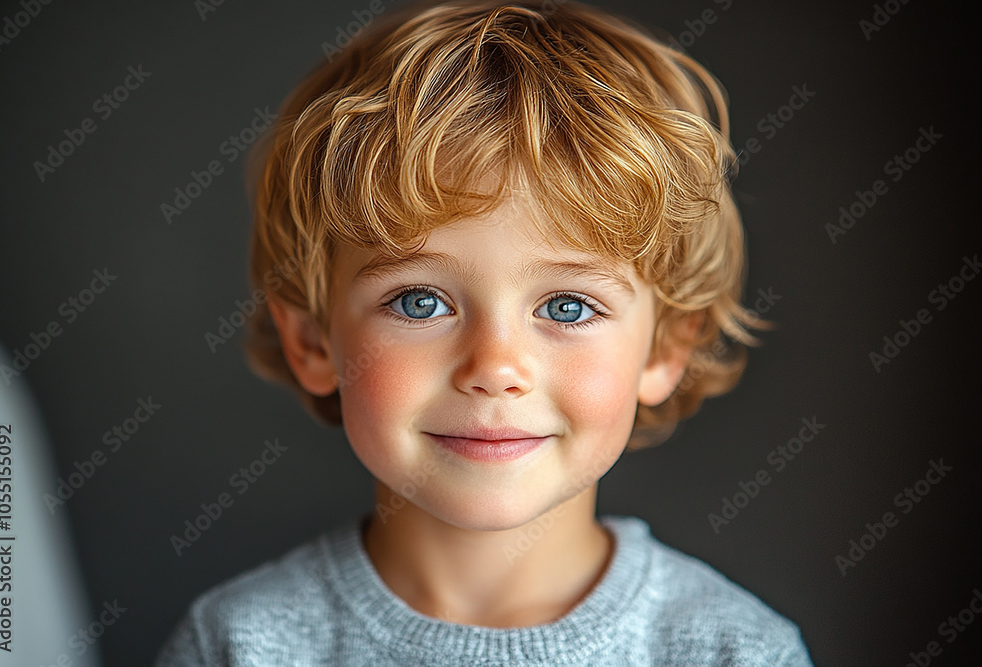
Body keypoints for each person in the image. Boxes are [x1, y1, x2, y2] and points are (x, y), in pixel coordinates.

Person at [155, 0, 813, 664]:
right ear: (312, 342)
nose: (494, 365)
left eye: (566, 307)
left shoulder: (737, 651)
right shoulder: (237, 645)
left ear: (667, 346)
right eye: (418, 301)